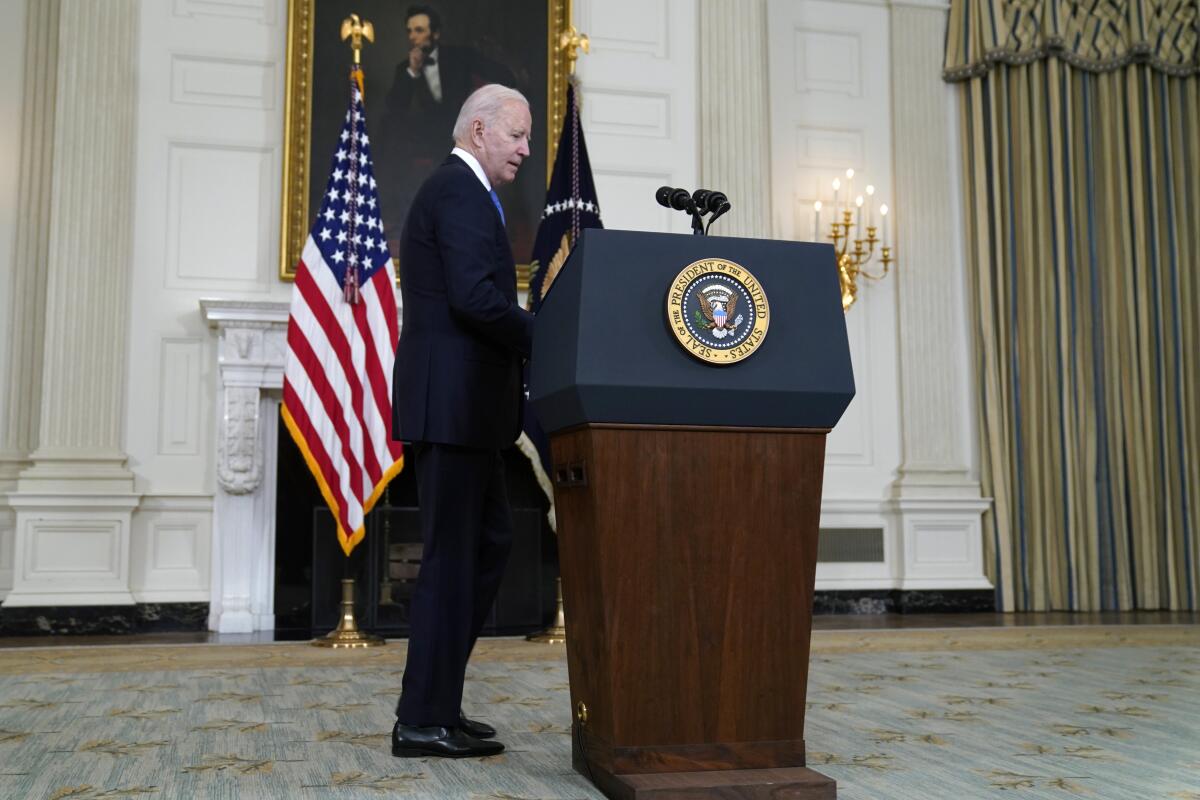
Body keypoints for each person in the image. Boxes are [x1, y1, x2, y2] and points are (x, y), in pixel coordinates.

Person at [389, 84, 535, 759]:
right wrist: (545, 336)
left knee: (486, 547)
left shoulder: (467, 193)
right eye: (517, 135)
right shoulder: (457, 191)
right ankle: (422, 719)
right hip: (453, 409)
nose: (525, 150)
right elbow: (477, 300)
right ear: (479, 130)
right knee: (453, 562)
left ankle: (439, 705)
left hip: (470, 411)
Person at [379, 4, 515, 241]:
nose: (413, 37)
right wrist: (412, 71)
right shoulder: (405, 68)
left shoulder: (460, 56)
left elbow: (503, 76)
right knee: (392, 140)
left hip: (463, 137)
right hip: (426, 139)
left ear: (436, 34)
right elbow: (395, 106)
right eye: (410, 31)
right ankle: (413, 223)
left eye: (419, 30)